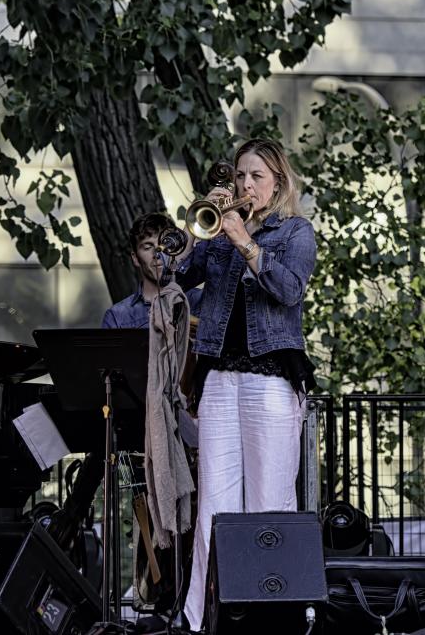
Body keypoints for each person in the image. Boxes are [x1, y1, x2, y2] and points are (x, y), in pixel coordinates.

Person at [176, 138, 318, 632]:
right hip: (219, 378)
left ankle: (274, 616)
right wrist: (201, 231)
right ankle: (202, 619)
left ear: (277, 180)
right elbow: (178, 273)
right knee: (214, 502)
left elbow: (289, 290)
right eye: (239, 176)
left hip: (271, 380)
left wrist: (244, 241)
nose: (244, 185)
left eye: (256, 176)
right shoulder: (220, 230)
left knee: (268, 498)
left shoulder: (295, 231)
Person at [102, 212, 202, 329]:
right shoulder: (117, 316)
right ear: (135, 258)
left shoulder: (200, 299)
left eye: (166, 243)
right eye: (148, 247)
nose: (158, 253)